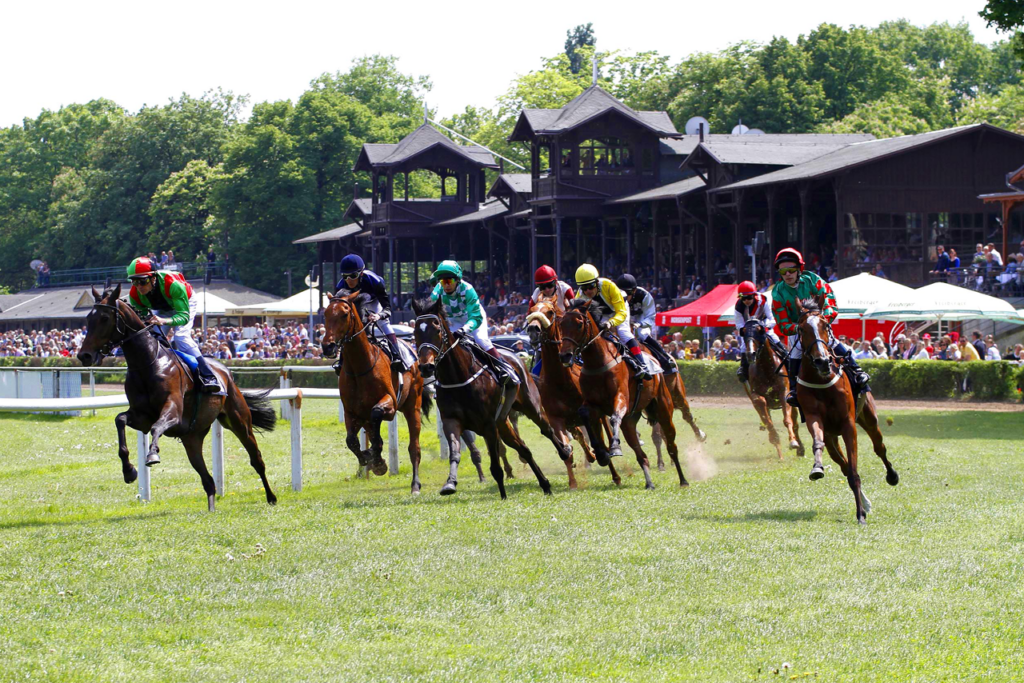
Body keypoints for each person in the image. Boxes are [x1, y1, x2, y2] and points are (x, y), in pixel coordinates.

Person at [770, 247, 869, 407]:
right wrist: (800, 328)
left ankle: (858, 372)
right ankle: (794, 390)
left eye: (791, 270)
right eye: (783, 272)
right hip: (798, 328)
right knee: (794, 352)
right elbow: (782, 323)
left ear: (798, 269)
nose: (787, 274)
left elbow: (829, 298)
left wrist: (821, 319)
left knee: (832, 343)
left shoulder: (812, 279)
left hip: (818, 323)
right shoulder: (777, 292)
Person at [125, 256, 220, 392]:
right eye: (134, 282)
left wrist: (164, 321)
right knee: (153, 337)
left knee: (181, 337)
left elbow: (183, 316)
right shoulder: (134, 295)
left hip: (184, 303)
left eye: (142, 281)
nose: (139, 286)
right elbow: (144, 317)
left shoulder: (173, 285)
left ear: (153, 278)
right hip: (161, 307)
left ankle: (208, 375)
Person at [429, 260, 517, 386]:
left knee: (481, 340)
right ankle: (440, 376)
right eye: (443, 281)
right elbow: (430, 310)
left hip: (473, 318)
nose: (446, 285)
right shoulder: (437, 292)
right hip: (453, 320)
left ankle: (504, 369)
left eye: (449, 281)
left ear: (457, 280)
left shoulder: (468, 289)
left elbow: (475, 317)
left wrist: (464, 330)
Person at [573, 264, 650, 380]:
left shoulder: (609, 286)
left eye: (591, 286)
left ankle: (642, 365)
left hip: (619, 309)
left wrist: (611, 323)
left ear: (597, 282)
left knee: (623, 332)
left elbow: (622, 313)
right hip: (602, 313)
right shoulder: (580, 295)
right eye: (584, 288)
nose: (588, 291)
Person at [334, 254, 406, 372]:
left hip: (374, 304)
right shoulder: (340, 286)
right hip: (354, 307)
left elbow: (387, 308)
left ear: (361, 273)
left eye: (353, 276)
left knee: (385, 325)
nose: (349, 280)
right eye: (345, 276)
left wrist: (379, 316)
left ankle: (396, 356)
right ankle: (341, 360)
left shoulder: (374, 280)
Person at [616, 273, 677, 375]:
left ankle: (665, 359)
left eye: (628, 293)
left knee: (642, 334)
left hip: (642, 319)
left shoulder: (644, 295)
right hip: (623, 318)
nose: (625, 297)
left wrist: (639, 324)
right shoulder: (613, 294)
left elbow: (651, 317)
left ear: (634, 291)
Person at [732, 280, 785, 384]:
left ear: (754, 295)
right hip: (748, 327)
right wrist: (744, 330)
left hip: (763, 326)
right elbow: (739, 324)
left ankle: (786, 358)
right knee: (744, 346)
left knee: (774, 338)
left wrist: (765, 328)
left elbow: (772, 318)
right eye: (744, 298)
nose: (747, 301)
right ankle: (743, 369)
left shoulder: (764, 300)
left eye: (749, 298)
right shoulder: (738, 306)